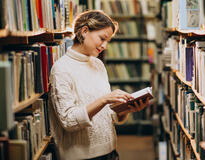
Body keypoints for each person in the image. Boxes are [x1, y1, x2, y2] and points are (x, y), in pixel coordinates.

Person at [49, 10, 150, 160]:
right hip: (82, 156)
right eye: (102, 38)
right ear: (84, 31)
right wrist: (104, 100)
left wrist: (126, 109)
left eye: (108, 41)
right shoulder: (61, 69)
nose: (104, 46)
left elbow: (108, 116)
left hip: (110, 152)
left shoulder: (98, 64)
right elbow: (68, 121)